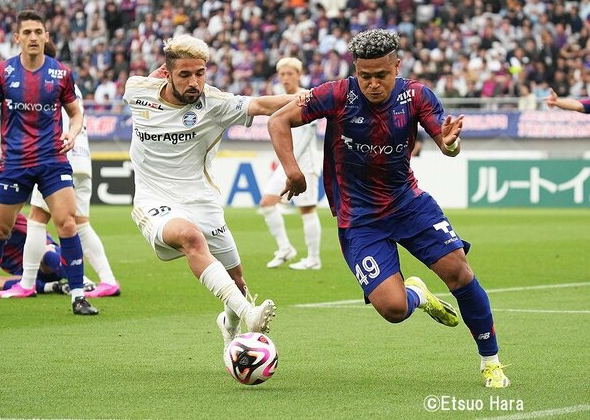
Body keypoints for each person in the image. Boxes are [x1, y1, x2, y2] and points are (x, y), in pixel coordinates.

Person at [268, 29, 510, 388]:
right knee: (394, 309)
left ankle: (491, 361)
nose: (373, 84)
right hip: (358, 218)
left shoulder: (416, 95)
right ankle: (417, 294)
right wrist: (292, 170)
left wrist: (451, 143)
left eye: (381, 75)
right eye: (365, 76)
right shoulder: (336, 94)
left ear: (397, 66)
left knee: (458, 271)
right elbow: (278, 120)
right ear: (356, 70)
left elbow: (445, 144)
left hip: (407, 203)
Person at [123, 35, 297, 349]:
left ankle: (229, 323)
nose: (194, 82)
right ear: (168, 72)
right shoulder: (137, 90)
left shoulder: (215, 103)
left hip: (202, 200)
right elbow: (145, 87)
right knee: (190, 237)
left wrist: (318, 98)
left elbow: (260, 104)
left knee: (238, 282)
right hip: (154, 200)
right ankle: (248, 315)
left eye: (200, 73)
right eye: (185, 74)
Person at [0, 9, 98, 316]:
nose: (34, 37)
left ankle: (78, 296)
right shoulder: (2, 72)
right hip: (15, 163)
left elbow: (76, 112)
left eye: (39, 32)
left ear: (47, 36)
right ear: (17, 38)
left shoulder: (61, 73)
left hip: (52, 160)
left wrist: (73, 132)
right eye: (27, 32)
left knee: (66, 223)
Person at [0, 40, 120, 300]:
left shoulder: (44, 84)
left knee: (36, 219)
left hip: (56, 160)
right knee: (80, 222)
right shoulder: (69, 84)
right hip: (82, 159)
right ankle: (108, 280)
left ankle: (27, 282)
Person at [260, 58, 322, 270]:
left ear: (298, 74)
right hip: (287, 163)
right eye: (282, 74)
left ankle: (313, 259)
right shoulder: (280, 99)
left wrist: (293, 163)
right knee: (267, 202)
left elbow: (309, 133)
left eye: (289, 73)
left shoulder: (307, 96)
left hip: (305, 164)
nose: (285, 78)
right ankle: (285, 248)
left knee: (307, 209)